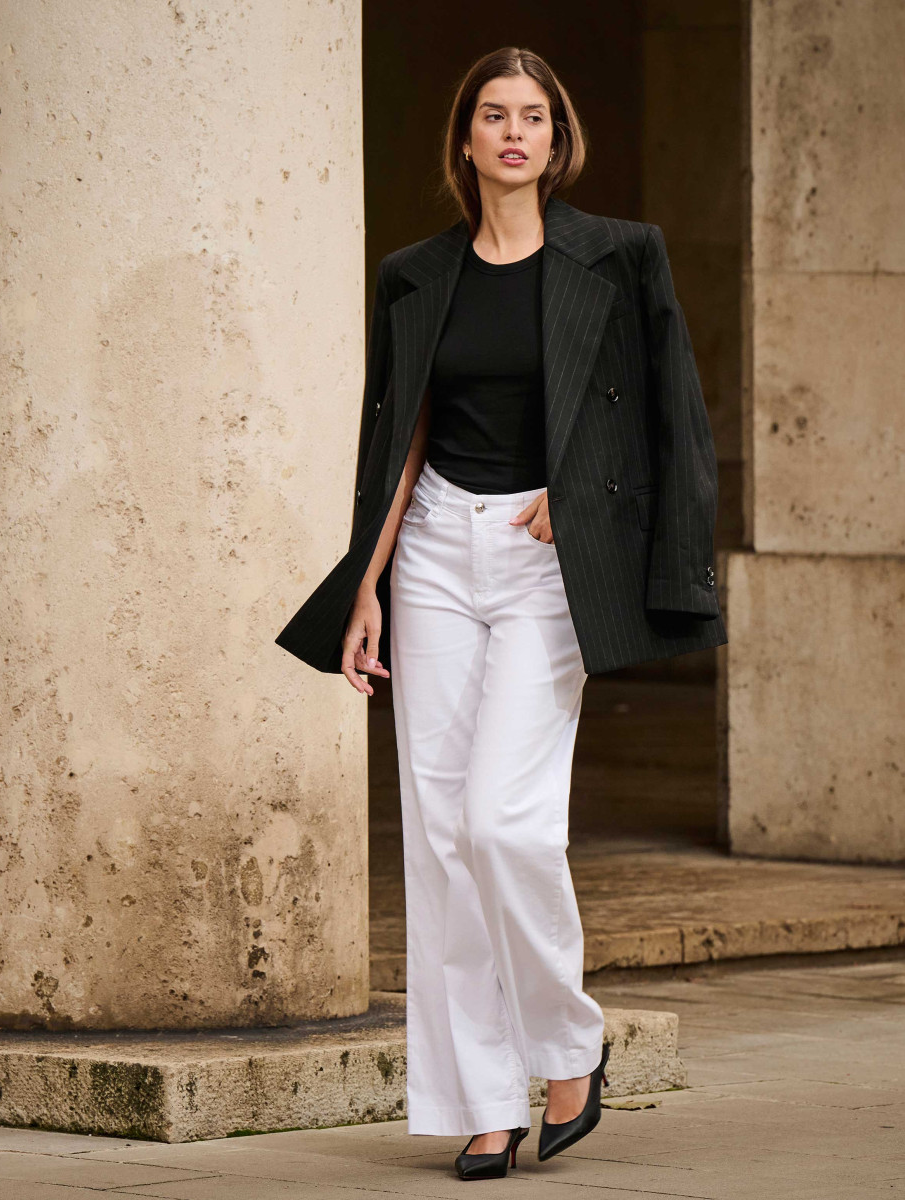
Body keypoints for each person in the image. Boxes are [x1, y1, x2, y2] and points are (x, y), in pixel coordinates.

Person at [275, 45, 725, 1181]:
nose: (514, 132)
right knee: (438, 839)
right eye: (494, 114)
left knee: (503, 824)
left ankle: (570, 1045)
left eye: (533, 116)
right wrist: (368, 583)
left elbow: (670, 412)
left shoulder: (620, 255)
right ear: (466, 140)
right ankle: (481, 1101)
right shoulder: (416, 274)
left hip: (542, 564)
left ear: (557, 138)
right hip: (433, 549)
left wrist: (590, 498)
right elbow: (400, 435)